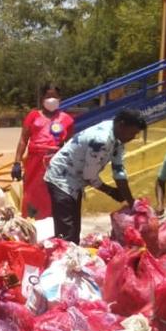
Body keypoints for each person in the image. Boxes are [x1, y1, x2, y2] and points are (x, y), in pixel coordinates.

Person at [44, 109, 146, 243]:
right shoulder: (101, 140)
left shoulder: (118, 138)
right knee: (67, 232)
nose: (133, 137)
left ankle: (69, 250)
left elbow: (119, 170)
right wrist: (110, 191)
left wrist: (131, 202)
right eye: (132, 133)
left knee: (74, 230)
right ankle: (61, 253)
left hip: (75, 181)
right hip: (61, 178)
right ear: (122, 125)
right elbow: (89, 175)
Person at [11, 84, 74, 219]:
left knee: (53, 194)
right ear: (42, 98)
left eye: (54, 96)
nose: (51, 99)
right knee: (32, 193)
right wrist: (17, 162)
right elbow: (23, 140)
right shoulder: (33, 116)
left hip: (56, 163)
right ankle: (31, 220)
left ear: (60, 99)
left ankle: (52, 223)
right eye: (48, 96)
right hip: (34, 163)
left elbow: (70, 145)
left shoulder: (67, 119)